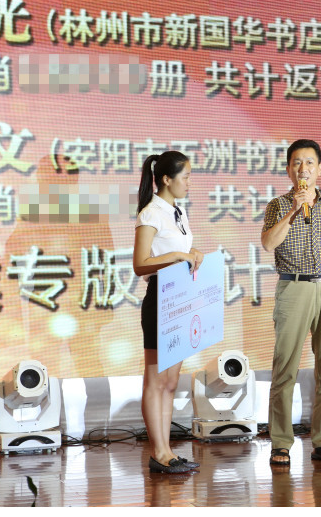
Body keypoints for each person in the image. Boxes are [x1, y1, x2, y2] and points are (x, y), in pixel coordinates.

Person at [258, 139, 321, 466]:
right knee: (285, 369)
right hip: (294, 288)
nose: (303, 169)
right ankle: (281, 443)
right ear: (288, 170)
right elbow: (268, 243)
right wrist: (295, 211)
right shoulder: (278, 205)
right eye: (297, 163)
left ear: (319, 169)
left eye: (310, 163)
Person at [130, 151, 204, 474]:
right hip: (161, 298)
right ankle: (158, 451)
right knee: (156, 379)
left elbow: (179, 251)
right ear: (165, 179)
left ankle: (167, 451)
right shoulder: (150, 213)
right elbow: (140, 264)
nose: (189, 183)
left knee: (171, 381)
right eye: (185, 177)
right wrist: (176, 255)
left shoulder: (178, 212)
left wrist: (191, 253)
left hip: (181, 297)